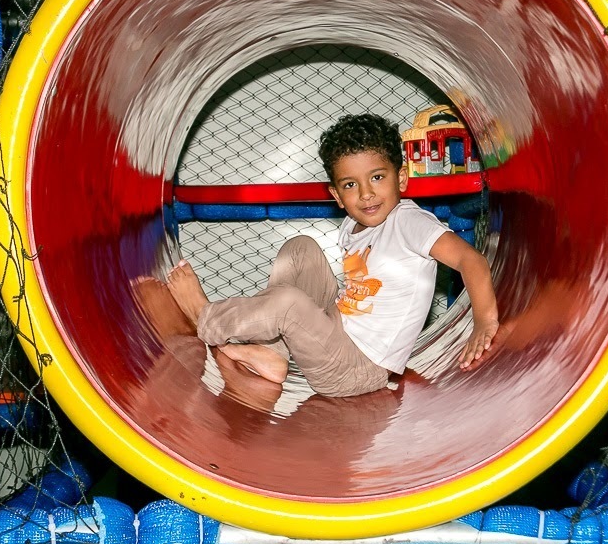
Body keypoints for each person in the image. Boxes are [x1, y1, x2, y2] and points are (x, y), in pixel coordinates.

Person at [166, 112, 499, 398]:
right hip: (336, 334)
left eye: (378, 178)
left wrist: (484, 322)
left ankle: (205, 318)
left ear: (401, 178)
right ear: (336, 195)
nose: (366, 194)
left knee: (288, 303)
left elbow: (471, 260)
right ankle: (273, 353)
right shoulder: (352, 226)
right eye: (350, 185)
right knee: (300, 249)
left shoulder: (409, 221)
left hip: (358, 369)